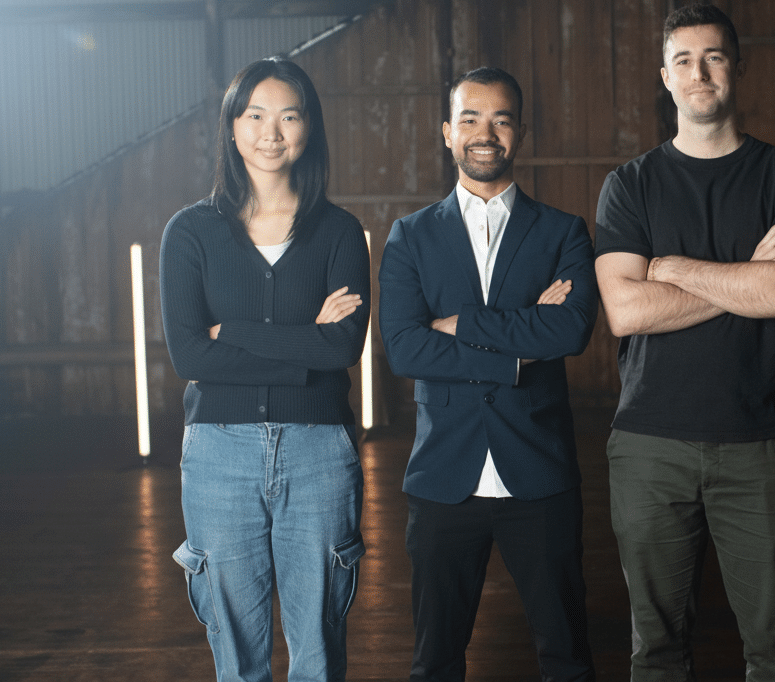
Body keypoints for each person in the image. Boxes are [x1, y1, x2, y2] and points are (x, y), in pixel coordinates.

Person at [594, 4, 775, 682]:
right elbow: (625, 310)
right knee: (657, 654)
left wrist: (670, 267)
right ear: (665, 77)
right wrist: (746, 274)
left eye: (715, 57)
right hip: (649, 445)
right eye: (686, 60)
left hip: (759, 443)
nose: (701, 72)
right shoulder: (631, 185)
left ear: (738, 68)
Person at [379, 67, 598, 682]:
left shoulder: (562, 231)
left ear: (519, 133)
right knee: (435, 663)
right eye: (470, 119)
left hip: (540, 473)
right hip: (444, 477)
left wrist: (456, 325)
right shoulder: (411, 236)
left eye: (501, 119)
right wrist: (519, 340)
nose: (485, 132)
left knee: (568, 660)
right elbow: (403, 349)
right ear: (447, 133)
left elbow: (571, 331)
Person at [160, 56, 370, 682]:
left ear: (310, 128)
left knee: (318, 647)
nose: (270, 132)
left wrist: (239, 336)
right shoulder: (190, 232)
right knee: (237, 652)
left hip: (319, 453)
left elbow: (343, 349)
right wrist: (307, 342)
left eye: (288, 115)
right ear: (231, 126)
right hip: (218, 453)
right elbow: (190, 357)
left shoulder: (338, 231)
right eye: (254, 115)